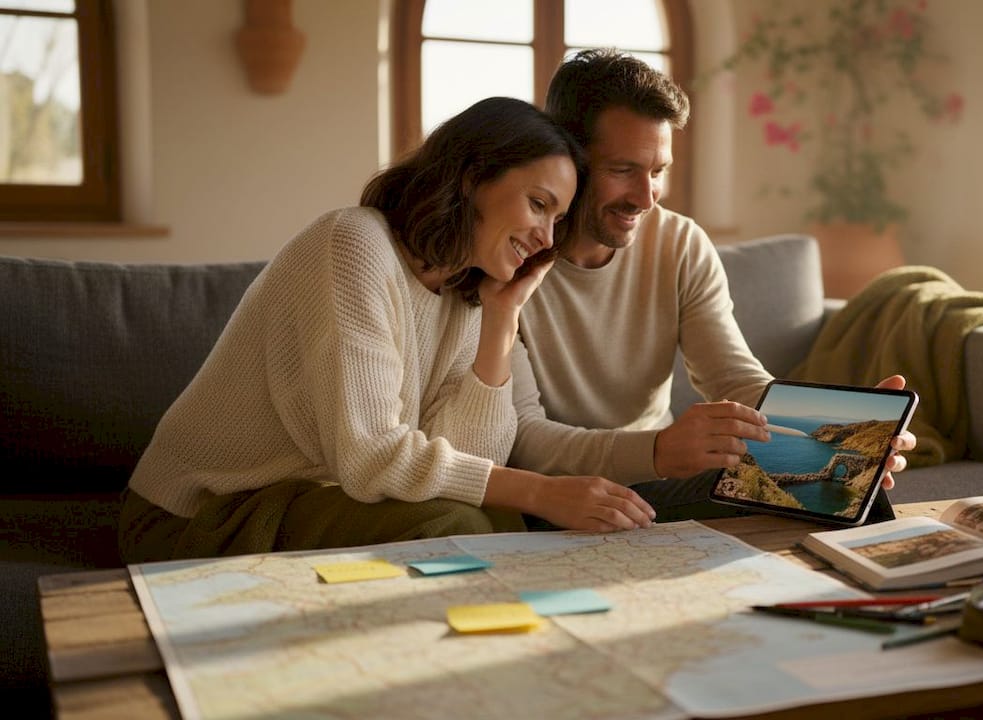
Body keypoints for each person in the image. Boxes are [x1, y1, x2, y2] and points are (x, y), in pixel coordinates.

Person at [119, 97, 655, 564]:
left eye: (557, 220)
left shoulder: (470, 290)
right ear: (472, 178)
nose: (545, 238)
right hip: (197, 514)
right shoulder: (352, 244)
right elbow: (372, 456)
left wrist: (500, 323)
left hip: (307, 499)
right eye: (538, 205)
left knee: (491, 519)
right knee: (463, 528)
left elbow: (468, 463)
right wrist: (541, 491)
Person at [508, 50, 915, 522]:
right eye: (623, 170)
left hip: (656, 482)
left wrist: (839, 428)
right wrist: (657, 449)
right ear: (568, 159)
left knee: (852, 495)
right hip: (558, 495)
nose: (645, 198)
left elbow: (733, 379)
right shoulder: (511, 254)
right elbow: (524, 440)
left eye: (657, 171)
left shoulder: (678, 243)